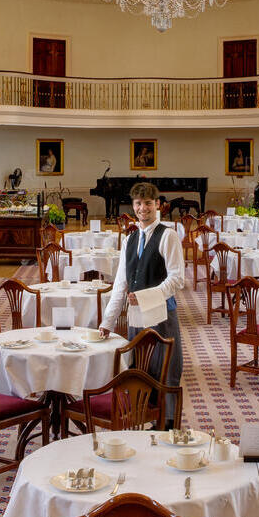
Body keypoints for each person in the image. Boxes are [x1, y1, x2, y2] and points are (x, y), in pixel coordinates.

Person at [100, 181, 185, 429]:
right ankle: (145, 421)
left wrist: (148, 296)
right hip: (137, 315)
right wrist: (108, 321)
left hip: (162, 314)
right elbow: (121, 284)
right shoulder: (130, 239)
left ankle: (167, 426)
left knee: (165, 370)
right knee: (141, 370)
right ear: (133, 206)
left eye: (148, 203)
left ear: (158, 205)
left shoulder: (168, 235)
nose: (143, 208)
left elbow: (177, 279)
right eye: (138, 203)